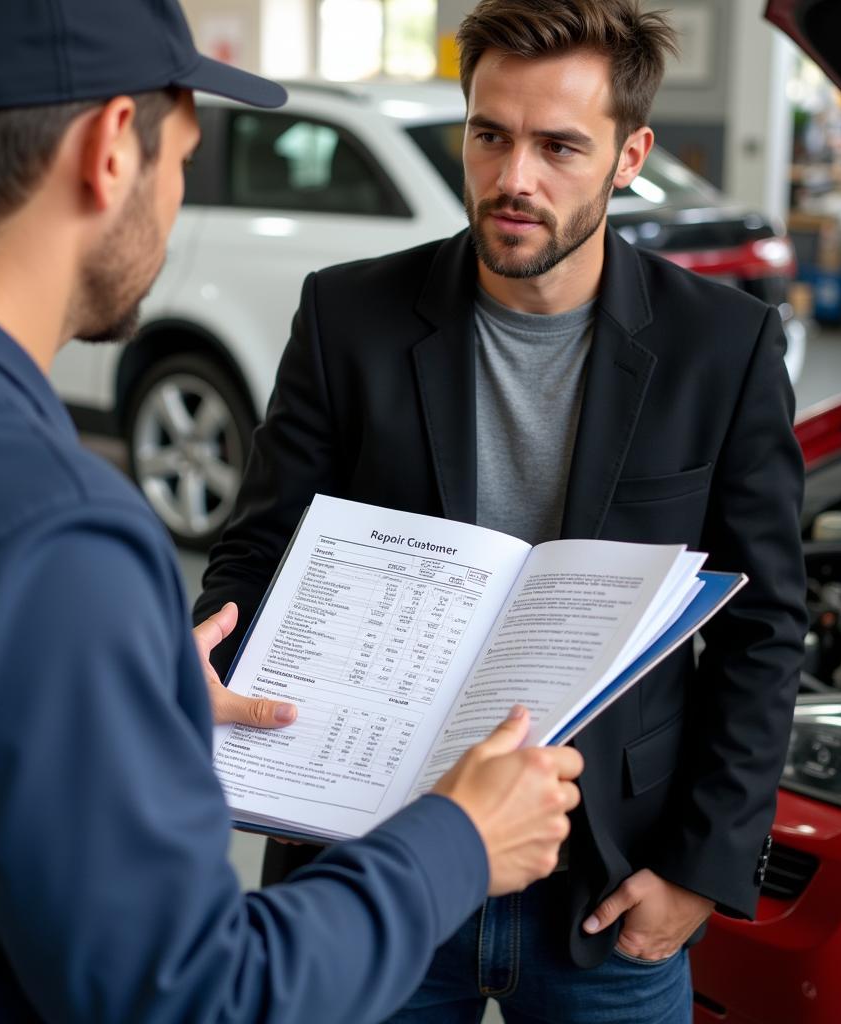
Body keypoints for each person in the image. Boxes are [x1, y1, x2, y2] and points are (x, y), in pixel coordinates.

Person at [0, 2, 587, 1021]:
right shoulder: (49, 538)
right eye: (184, 156)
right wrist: (454, 838)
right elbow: (198, 997)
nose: (180, 193)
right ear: (111, 150)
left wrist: (113, 708)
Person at [194, 1, 808, 1021]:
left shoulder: (723, 347)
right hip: (373, 860)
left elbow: (763, 624)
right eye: (490, 135)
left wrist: (702, 869)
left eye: (559, 146)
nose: (513, 177)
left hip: (606, 881)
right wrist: (212, 652)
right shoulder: (347, 316)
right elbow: (260, 549)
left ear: (629, 154)